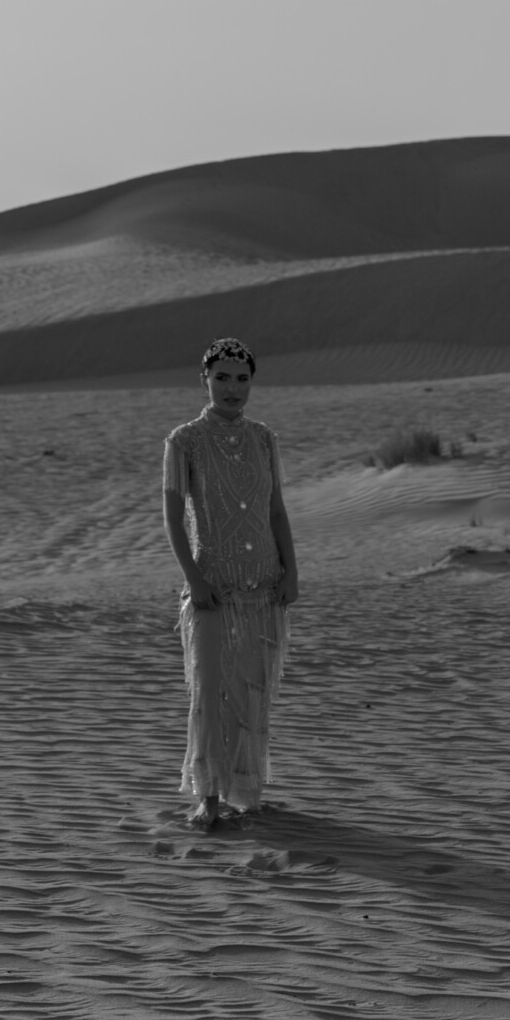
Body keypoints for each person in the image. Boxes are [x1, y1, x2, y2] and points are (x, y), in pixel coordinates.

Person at [162, 337, 298, 829]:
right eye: (221, 377)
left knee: (250, 691)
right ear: (205, 379)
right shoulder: (184, 441)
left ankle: (245, 790)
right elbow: (173, 519)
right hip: (212, 587)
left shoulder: (264, 439)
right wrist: (194, 580)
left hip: (263, 582)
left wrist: (291, 571)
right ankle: (209, 796)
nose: (232, 388)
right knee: (209, 691)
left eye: (242, 379)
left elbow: (276, 510)